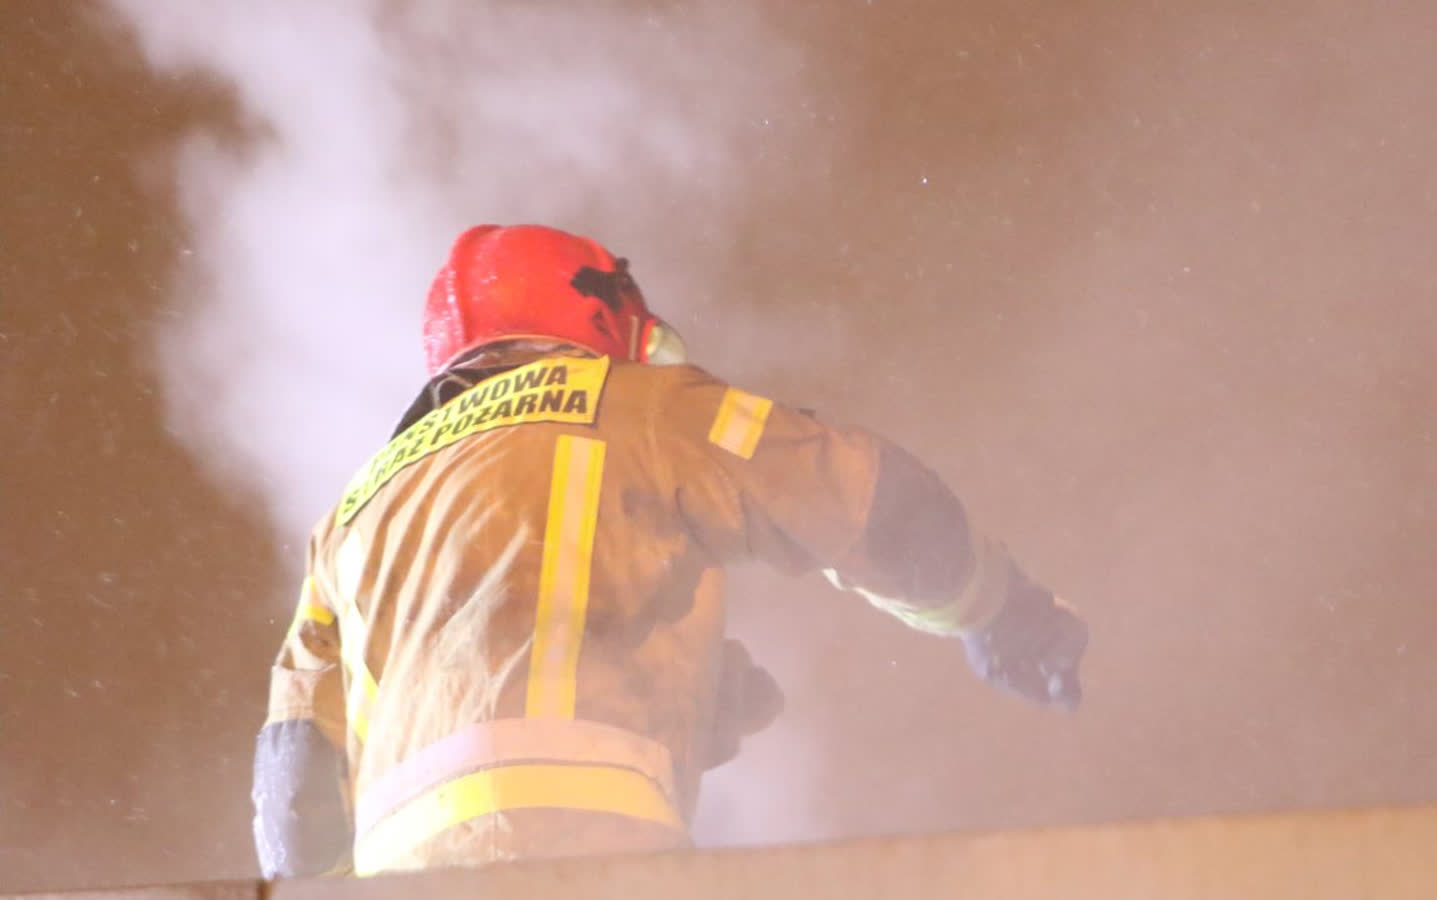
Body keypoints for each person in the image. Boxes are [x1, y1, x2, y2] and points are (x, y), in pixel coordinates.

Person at [250, 223, 1088, 879]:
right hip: (596, 860)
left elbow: (294, 794)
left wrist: (675, 707)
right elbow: (865, 498)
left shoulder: (351, 513)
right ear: (598, 310)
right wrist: (996, 612)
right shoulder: (637, 406)